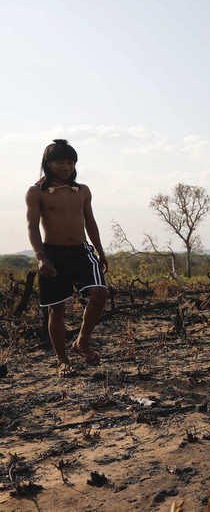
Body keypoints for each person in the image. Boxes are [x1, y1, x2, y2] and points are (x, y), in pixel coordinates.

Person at [26, 139, 108, 377]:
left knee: (100, 293)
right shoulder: (36, 192)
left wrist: (100, 250)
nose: (66, 167)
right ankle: (62, 361)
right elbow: (32, 227)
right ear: (48, 163)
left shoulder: (82, 190)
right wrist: (41, 257)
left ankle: (82, 341)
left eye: (70, 162)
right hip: (53, 253)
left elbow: (90, 222)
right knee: (57, 310)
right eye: (59, 162)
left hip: (82, 251)